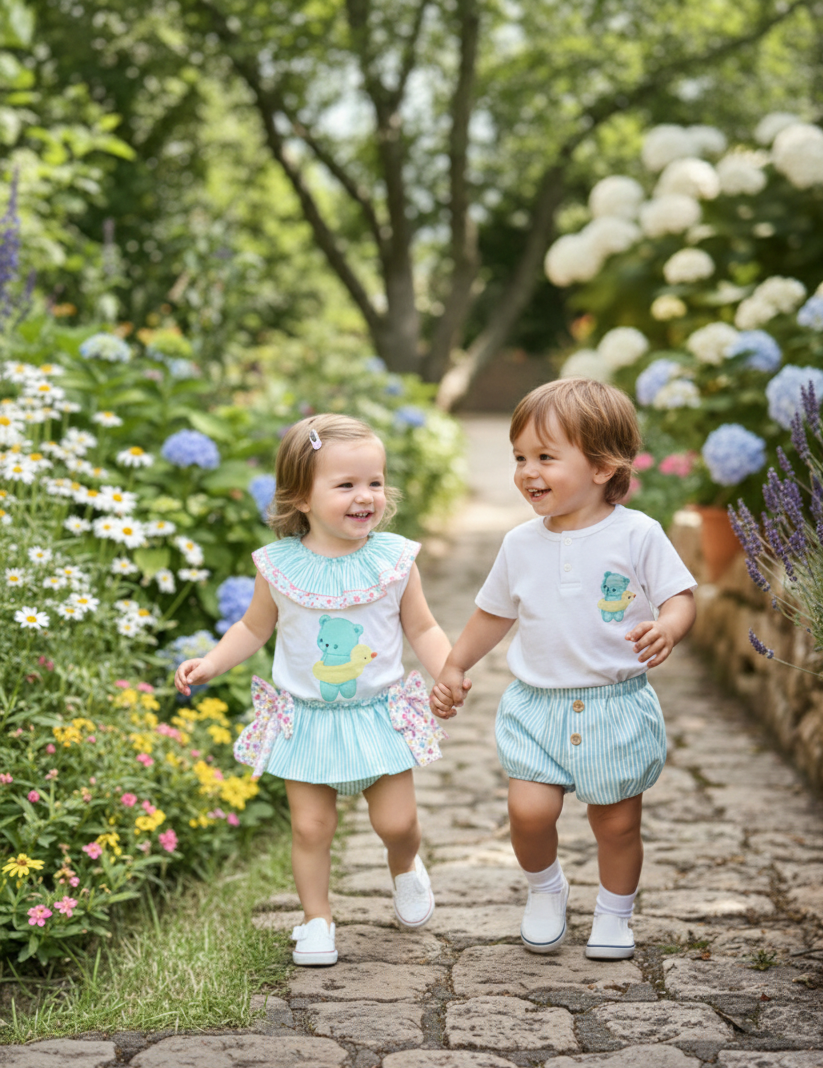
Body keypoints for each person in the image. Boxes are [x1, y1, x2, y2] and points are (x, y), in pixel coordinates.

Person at [175, 413, 459, 967]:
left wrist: (449, 668)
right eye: (346, 484)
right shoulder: (279, 567)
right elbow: (254, 627)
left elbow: (421, 627)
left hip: (377, 715)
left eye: (374, 482)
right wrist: (212, 661)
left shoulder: (393, 561)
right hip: (305, 718)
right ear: (301, 497)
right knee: (311, 827)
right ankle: (316, 920)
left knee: (395, 822)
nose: (365, 497)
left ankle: (404, 866)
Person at [430, 378, 696, 960]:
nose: (528, 471)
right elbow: (491, 615)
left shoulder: (638, 534)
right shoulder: (520, 544)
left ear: (602, 466)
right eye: (520, 457)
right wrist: (453, 664)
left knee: (617, 824)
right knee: (528, 813)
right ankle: (546, 889)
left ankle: (614, 913)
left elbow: (680, 596)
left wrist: (669, 627)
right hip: (537, 707)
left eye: (546, 457)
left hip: (614, 707)